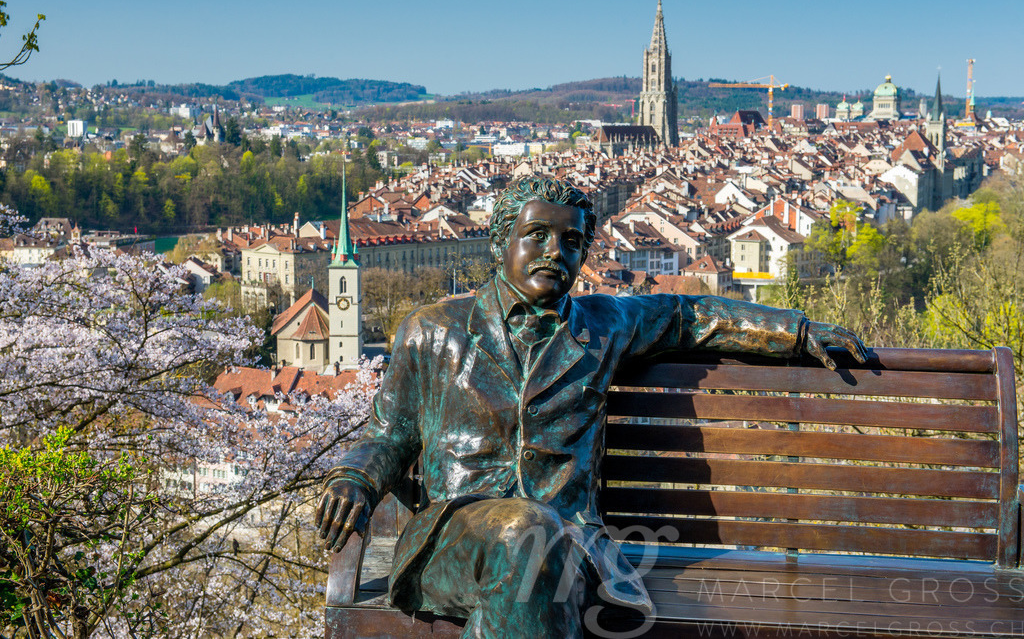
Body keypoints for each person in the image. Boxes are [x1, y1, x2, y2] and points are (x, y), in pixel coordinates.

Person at [316, 177, 867, 638]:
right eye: (537, 235)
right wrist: (352, 479)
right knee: (524, 538)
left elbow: (690, 316)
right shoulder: (434, 329)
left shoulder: (603, 325)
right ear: (499, 243)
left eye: (572, 241)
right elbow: (389, 434)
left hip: (572, 541)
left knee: (532, 551)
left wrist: (793, 330)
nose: (557, 252)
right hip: (452, 539)